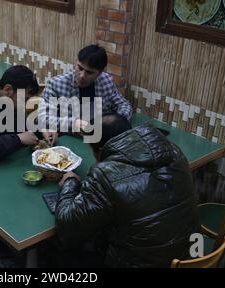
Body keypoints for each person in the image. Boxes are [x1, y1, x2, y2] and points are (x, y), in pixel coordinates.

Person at [54, 114, 200, 268]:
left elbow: (67, 226)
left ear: (99, 149)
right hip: (190, 257)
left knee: (65, 251)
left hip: (139, 263)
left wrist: (70, 183)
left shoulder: (105, 174)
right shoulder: (174, 151)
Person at [38, 44, 132, 146]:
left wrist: (111, 125)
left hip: (99, 140)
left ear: (99, 73)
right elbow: (43, 117)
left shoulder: (106, 81)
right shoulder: (56, 84)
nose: (82, 76)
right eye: (80, 68)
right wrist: (73, 123)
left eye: (89, 72)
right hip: (69, 140)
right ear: (76, 62)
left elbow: (124, 106)